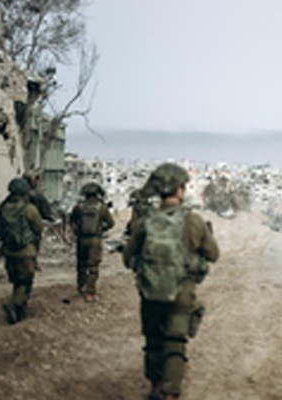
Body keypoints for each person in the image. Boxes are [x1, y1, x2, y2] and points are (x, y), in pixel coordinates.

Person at [123, 163, 219, 400]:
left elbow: (127, 258)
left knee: (153, 341)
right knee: (175, 343)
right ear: (179, 189)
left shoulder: (145, 221)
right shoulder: (193, 221)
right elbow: (213, 254)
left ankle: (155, 386)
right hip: (181, 293)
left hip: (150, 292)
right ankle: (170, 392)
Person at [0, 177, 43, 324]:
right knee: (25, 281)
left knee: (16, 280)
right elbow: (39, 228)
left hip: (9, 251)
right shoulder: (29, 209)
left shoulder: (3, 208)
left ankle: (20, 312)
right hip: (26, 252)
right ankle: (14, 304)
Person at [70, 182, 115, 302]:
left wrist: (77, 231)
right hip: (95, 240)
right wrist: (101, 229)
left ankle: (81, 286)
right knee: (93, 267)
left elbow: (72, 220)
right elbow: (111, 223)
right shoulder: (102, 207)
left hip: (81, 239)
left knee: (81, 264)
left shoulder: (79, 207)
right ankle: (90, 293)